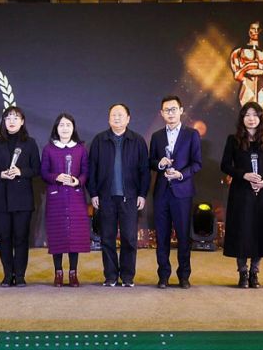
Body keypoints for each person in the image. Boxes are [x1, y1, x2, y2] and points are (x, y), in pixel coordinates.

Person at [220, 102, 263, 288]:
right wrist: (243, 175)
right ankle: (242, 272)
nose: (251, 119)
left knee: (260, 231)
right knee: (242, 231)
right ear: (242, 118)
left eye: (255, 115)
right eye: (247, 115)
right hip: (241, 192)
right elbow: (225, 165)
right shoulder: (233, 140)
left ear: (261, 118)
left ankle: (255, 271)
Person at [87, 103, 149, 288]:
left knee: (129, 238)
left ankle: (128, 276)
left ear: (128, 119)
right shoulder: (99, 140)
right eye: (113, 115)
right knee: (107, 238)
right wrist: (93, 193)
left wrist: (142, 194)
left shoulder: (137, 140)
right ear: (108, 119)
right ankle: (111, 276)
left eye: (120, 115)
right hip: (105, 197)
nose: (117, 118)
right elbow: (92, 169)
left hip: (130, 197)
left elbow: (144, 171)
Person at [148, 95, 202, 289]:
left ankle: (184, 276)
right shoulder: (157, 136)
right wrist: (159, 164)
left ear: (181, 110)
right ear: (161, 113)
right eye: (166, 110)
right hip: (162, 192)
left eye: (173, 109)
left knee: (183, 236)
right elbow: (151, 162)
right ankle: (163, 275)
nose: (170, 113)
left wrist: (181, 174)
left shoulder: (191, 134)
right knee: (161, 236)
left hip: (183, 192)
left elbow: (197, 163)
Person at [0, 106, 41, 287]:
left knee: (21, 237)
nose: (12, 121)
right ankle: (7, 274)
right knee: (4, 238)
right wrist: (1, 174)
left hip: (22, 198)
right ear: (3, 121)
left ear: (22, 121)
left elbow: (36, 169)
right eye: (8, 118)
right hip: (1, 198)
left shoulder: (30, 143)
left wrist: (21, 172)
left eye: (16, 118)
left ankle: (19, 275)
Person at [40, 113, 89, 288]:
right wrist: (56, 177)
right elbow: (43, 172)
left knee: (75, 235)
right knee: (58, 234)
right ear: (56, 128)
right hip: (56, 197)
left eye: (68, 125)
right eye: (61, 125)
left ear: (73, 128)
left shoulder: (80, 149)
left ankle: (73, 273)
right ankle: (58, 272)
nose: (65, 128)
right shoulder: (49, 149)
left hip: (75, 197)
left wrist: (78, 181)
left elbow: (86, 171)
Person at [229, 21, 263, 110]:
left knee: (262, 111)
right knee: (248, 111)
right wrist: (248, 67)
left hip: (262, 89)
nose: (256, 31)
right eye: (253, 28)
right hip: (247, 88)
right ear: (248, 30)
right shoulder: (238, 52)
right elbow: (237, 75)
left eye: (258, 29)